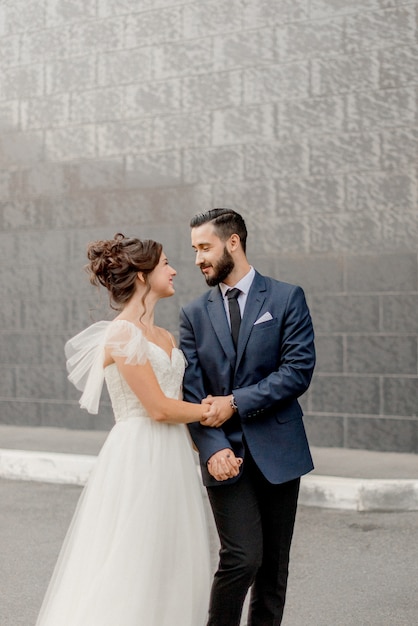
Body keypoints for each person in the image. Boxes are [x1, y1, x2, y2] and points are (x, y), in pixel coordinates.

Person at [36, 233, 228, 626]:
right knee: (134, 557)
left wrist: (206, 446)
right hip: (141, 454)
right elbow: (157, 408)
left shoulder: (165, 336)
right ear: (142, 276)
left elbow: (173, 406)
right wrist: (210, 410)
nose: (175, 270)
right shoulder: (123, 333)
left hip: (171, 453)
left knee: (167, 558)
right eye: (165, 265)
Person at [179, 209, 316, 626]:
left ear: (233, 242)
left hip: (279, 449)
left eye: (205, 247)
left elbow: (297, 371)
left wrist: (235, 402)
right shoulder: (193, 313)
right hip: (224, 455)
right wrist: (213, 449)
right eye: (194, 250)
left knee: (273, 568)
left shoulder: (286, 297)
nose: (198, 258)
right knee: (241, 558)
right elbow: (191, 390)